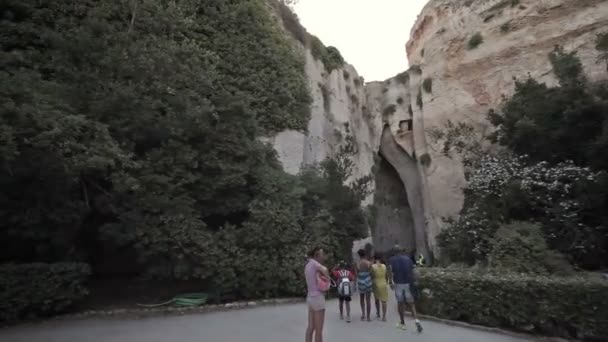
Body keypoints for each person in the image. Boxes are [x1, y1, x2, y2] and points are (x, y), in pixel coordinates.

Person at [388, 245, 423, 332]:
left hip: (398, 283)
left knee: (400, 303)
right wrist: (415, 281)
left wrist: (390, 282)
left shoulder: (391, 260)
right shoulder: (408, 259)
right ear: (401, 251)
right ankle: (416, 320)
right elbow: (413, 271)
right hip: (408, 283)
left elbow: (390, 271)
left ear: (394, 252)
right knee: (411, 304)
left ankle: (402, 323)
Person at [305, 247, 330, 342]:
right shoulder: (316, 264)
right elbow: (325, 269)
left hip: (310, 297)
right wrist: (327, 279)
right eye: (322, 255)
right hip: (318, 298)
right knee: (319, 331)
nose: (323, 257)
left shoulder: (308, 264)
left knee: (310, 328)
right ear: (317, 255)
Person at [356, 249, 373, 321]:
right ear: (365, 254)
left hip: (360, 281)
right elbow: (371, 272)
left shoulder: (357, 263)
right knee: (368, 299)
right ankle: (368, 317)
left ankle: (363, 314)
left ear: (359, 255)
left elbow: (356, 273)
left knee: (362, 298)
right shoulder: (369, 263)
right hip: (368, 281)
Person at [371, 253, 389, 321]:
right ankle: (384, 316)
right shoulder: (384, 266)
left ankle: (378, 313)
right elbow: (386, 275)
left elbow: (372, 276)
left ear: (374, 259)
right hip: (383, 283)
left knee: (377, 300)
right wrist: (387, 282)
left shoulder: (373, 266)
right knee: (384, 301)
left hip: (376, 284)